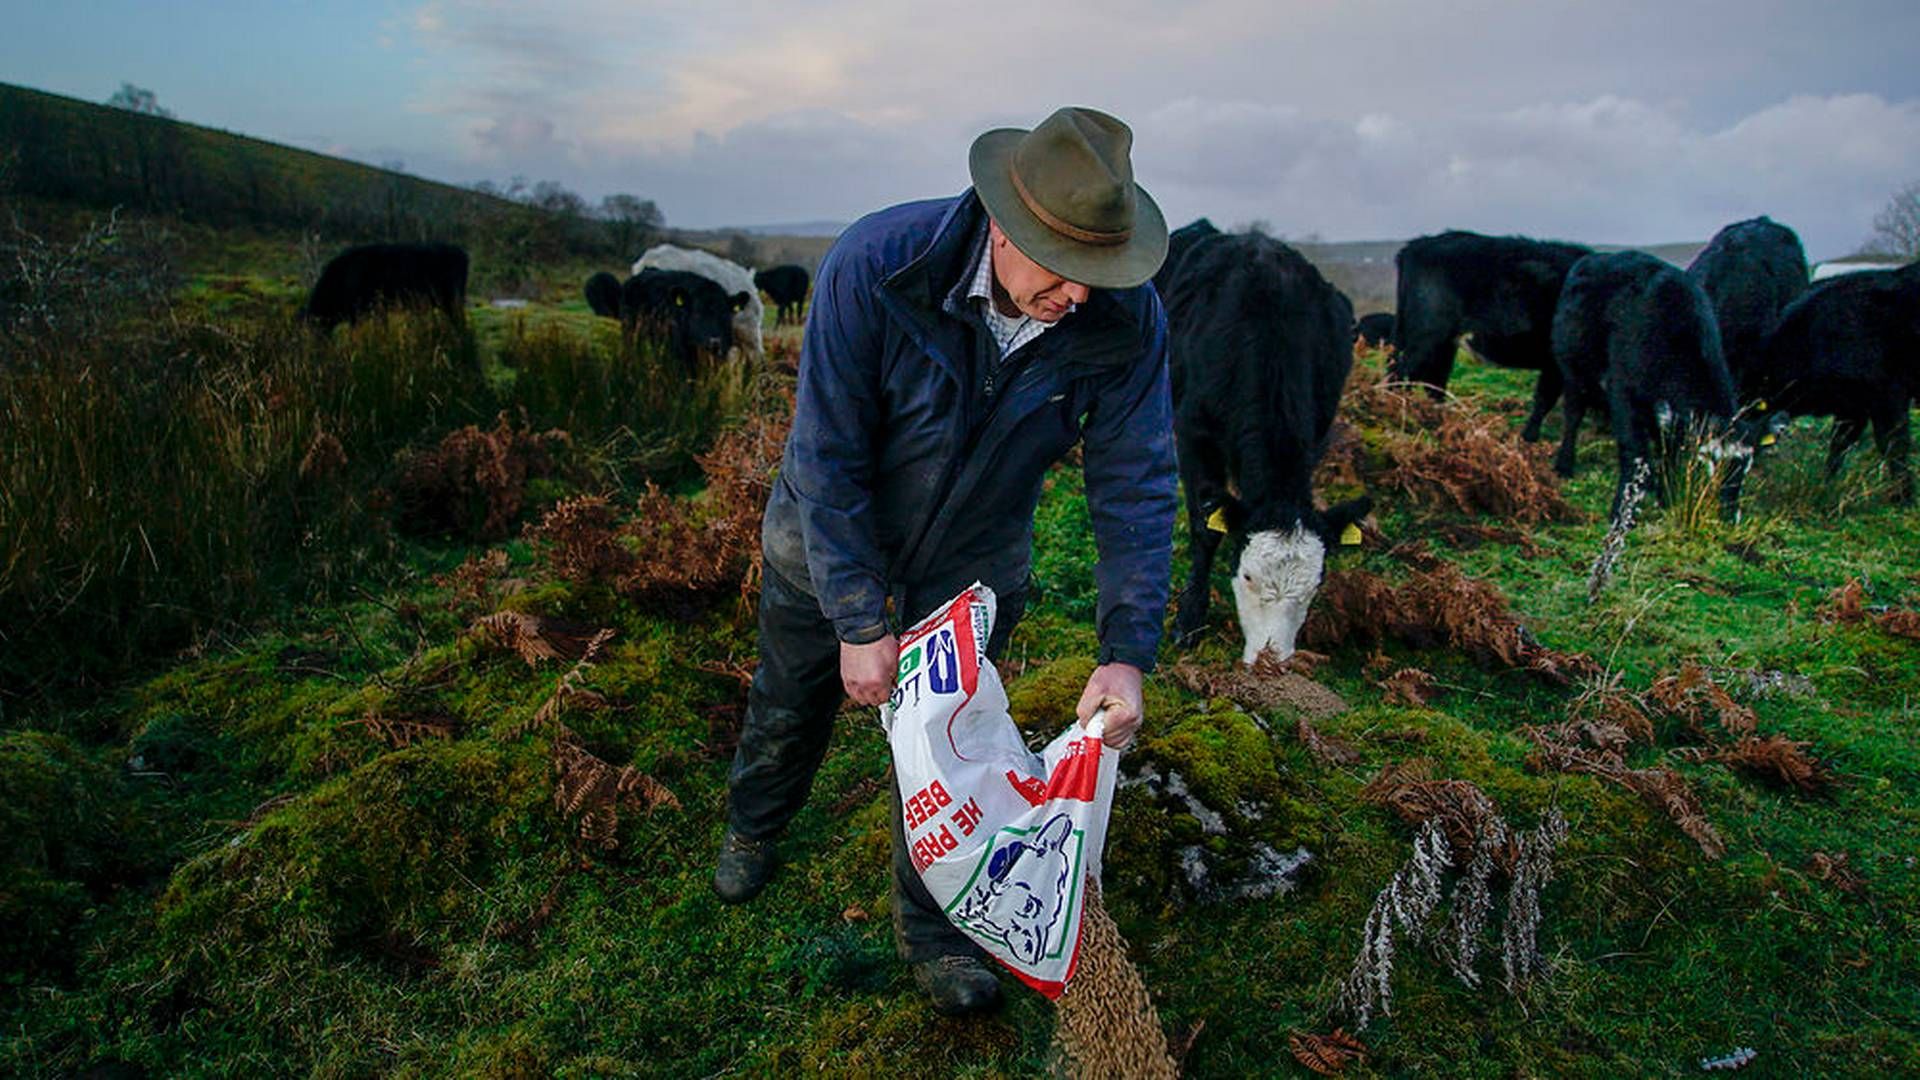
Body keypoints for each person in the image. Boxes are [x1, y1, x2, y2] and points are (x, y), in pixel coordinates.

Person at [714, 106, 1177, 1016]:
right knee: (788, 701)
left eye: (1100, 273)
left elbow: (1137, 482)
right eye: (1066, 269)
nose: (1081, 295)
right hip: (825, 551)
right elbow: (826, 453)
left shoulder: (1127, 322)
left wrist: (1126, 647)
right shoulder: (877, 264)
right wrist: (857, 619)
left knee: (949, 758)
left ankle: (931, 935)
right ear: (1004, 226)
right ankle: (752, 829)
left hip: (971, 572)